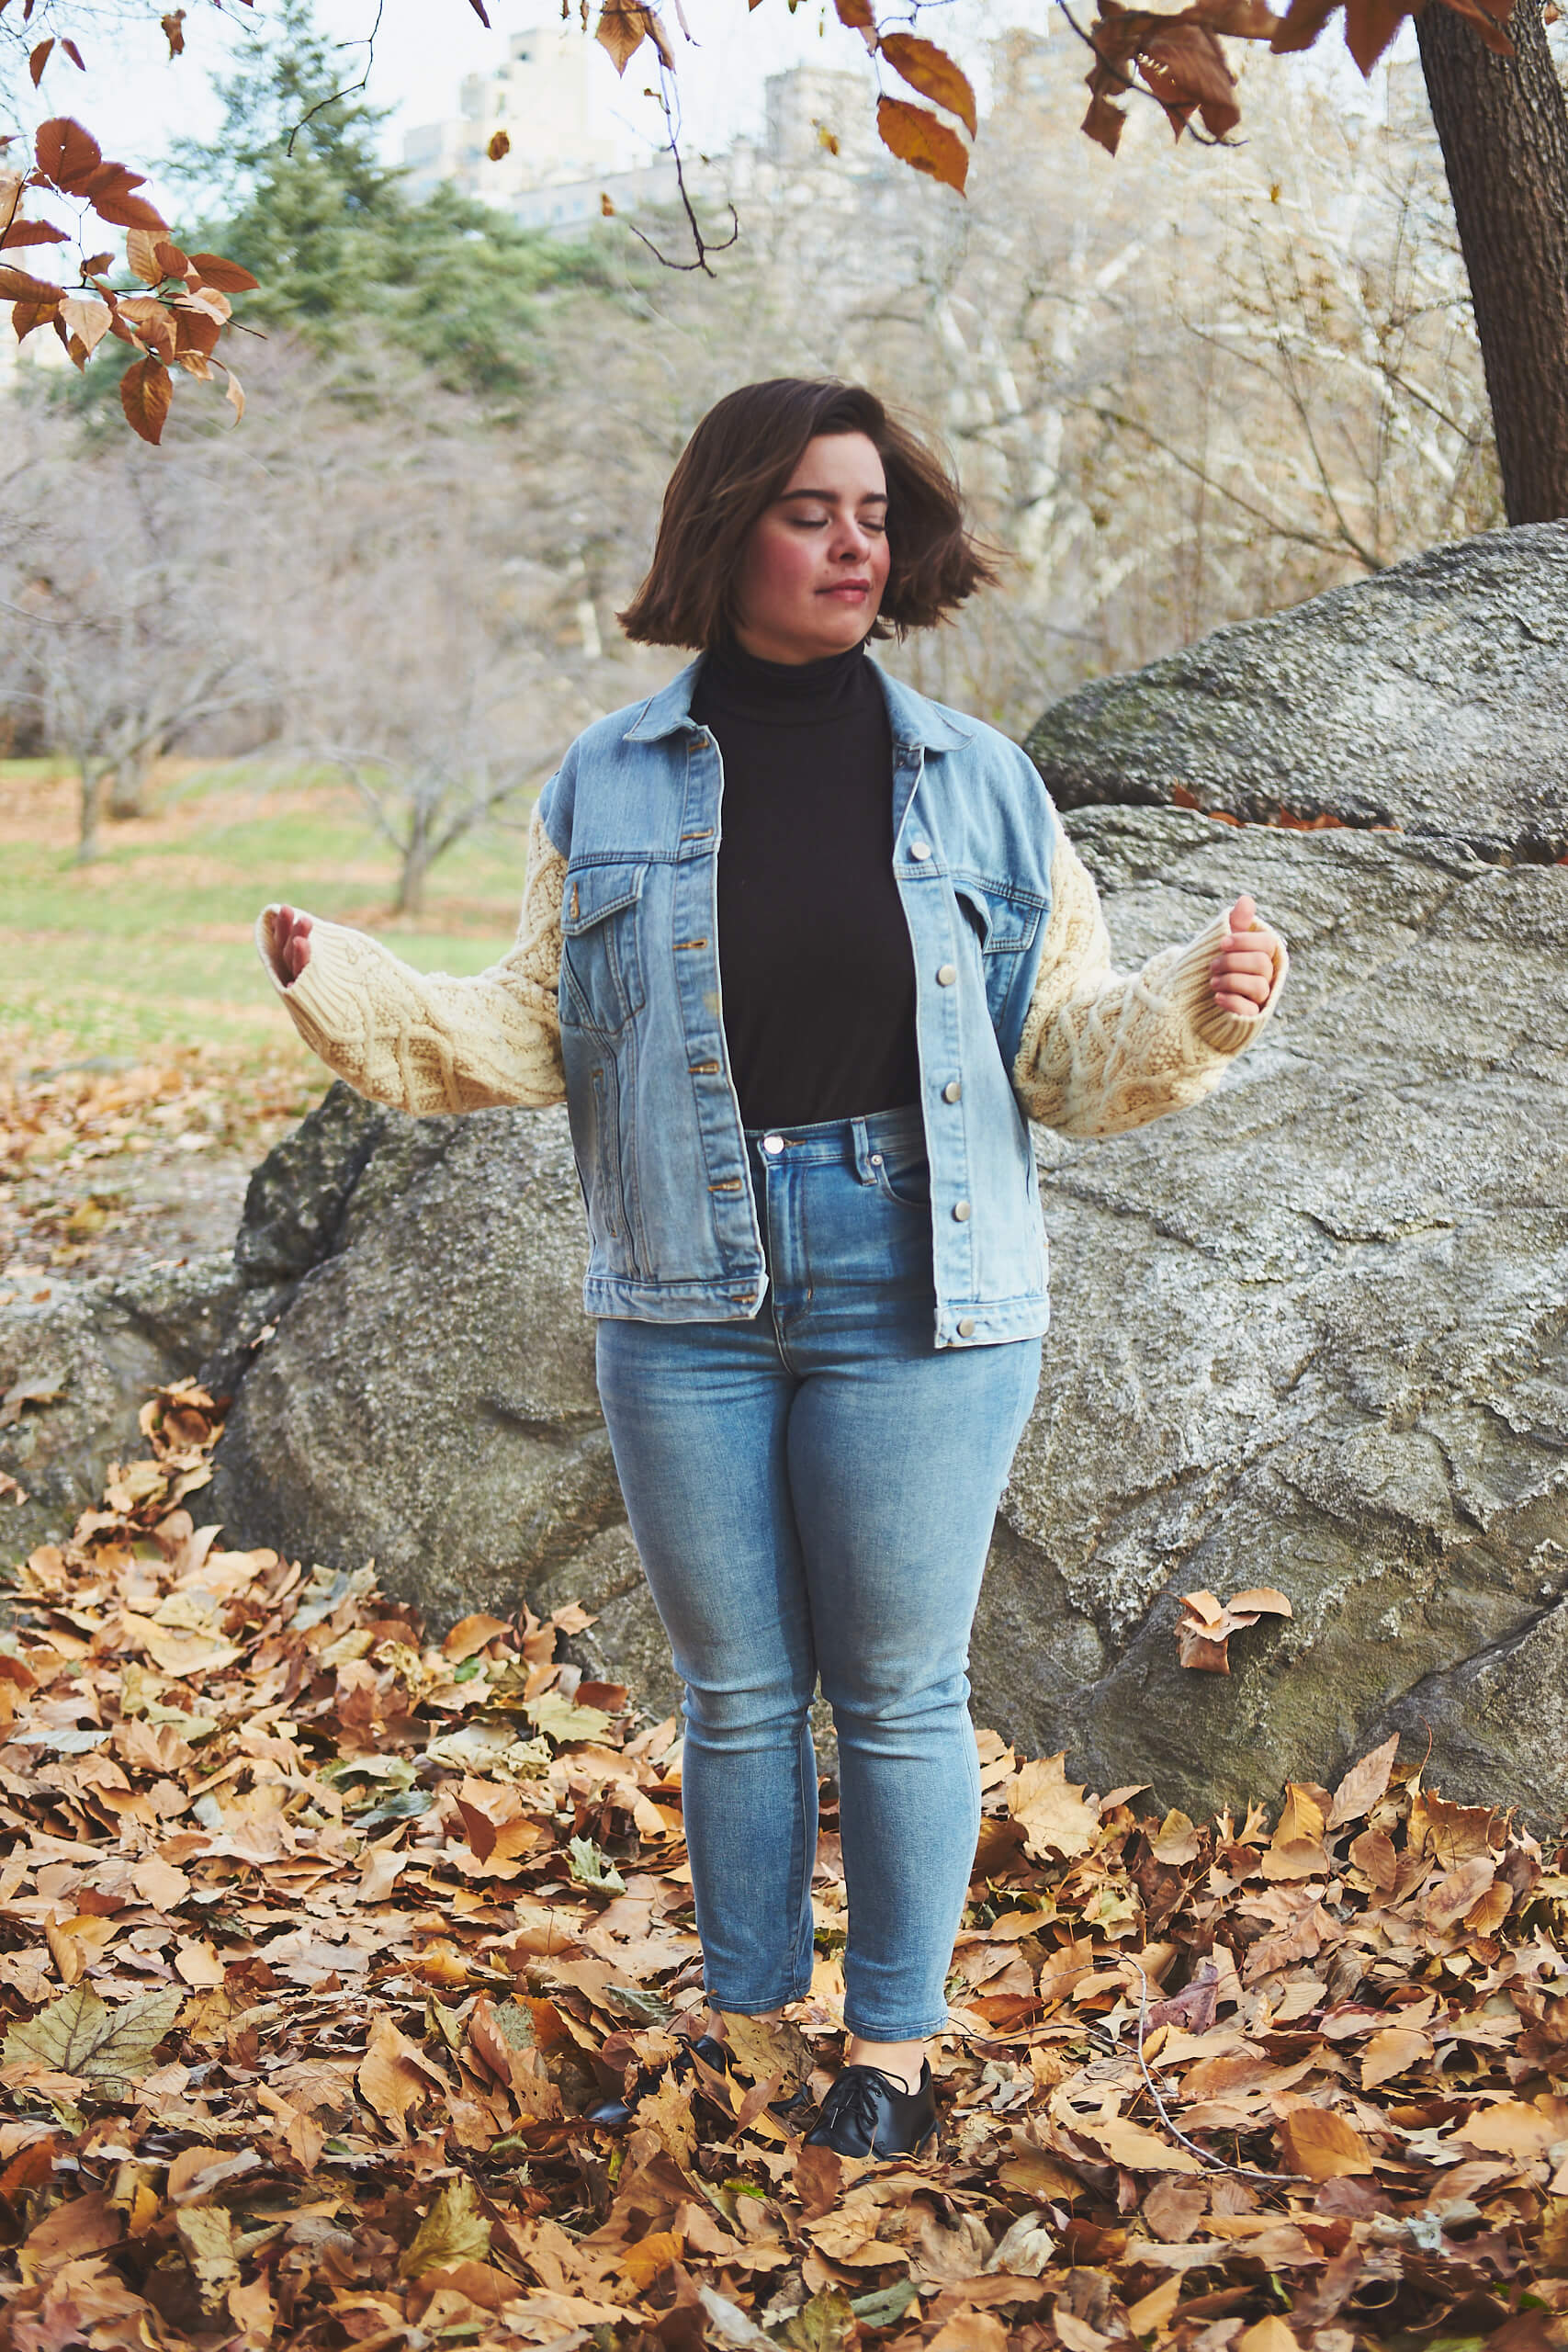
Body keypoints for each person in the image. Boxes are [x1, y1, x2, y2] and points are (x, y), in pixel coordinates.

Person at [258, 377, 1287, 2160]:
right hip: (683, 1294)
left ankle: (885, 2044)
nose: (851, 543)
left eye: (874, 514)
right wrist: (341, 980)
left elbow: (1052, 1048)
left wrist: (1192, 1007)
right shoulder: (603, 775)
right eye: (814, 510)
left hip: (921, 1284)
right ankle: (740, 2026)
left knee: (893, 1692)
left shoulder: (982, 782)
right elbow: (528, 1029)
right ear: (726, 525)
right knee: (732, 1693)